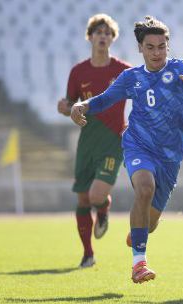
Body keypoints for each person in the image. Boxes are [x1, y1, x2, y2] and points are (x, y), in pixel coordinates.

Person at [70, 16, 183, 284]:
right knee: (144, 188)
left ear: (168, 46)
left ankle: (137, 232)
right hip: (137, 145)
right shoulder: (132, 77)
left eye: (162, 46)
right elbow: (104, 100)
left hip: (171, 156)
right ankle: (139, 264)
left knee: (149, 223)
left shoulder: (180, 70)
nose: (156, 52)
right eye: (150, 47)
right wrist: (81, 106)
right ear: (140, 48)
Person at [57, 14, 131, 268]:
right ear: (90, 37)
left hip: (113, 139)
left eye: (107, 33)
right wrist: (64, 108)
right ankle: (88, 254)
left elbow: (142, 97)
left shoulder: (123, 70)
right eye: (98, 32)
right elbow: (70, 106)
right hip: (87, 140)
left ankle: (104, 208)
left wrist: (137, 122)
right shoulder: (78, 72)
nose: (103, 36)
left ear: (113, 38)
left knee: (96, 194)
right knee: (82, 199)